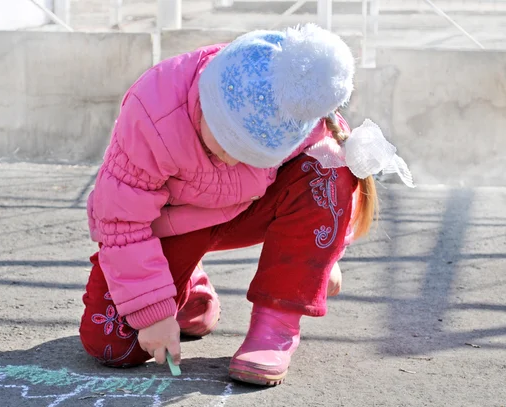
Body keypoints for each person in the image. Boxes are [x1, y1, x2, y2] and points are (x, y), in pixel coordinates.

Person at [80, 24, 414, 386]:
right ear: (207, 100)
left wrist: (318, 259)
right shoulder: (154, 112)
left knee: (329, 168)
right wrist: (150, 313)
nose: (227, 158)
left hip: (248, 210)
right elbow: (120, 221)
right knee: (114, 344)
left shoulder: (300, 104)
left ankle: (275, 326)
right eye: (223, 142)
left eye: (248, 154)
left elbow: (335, 187)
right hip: (172, 222)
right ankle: (188, 289)